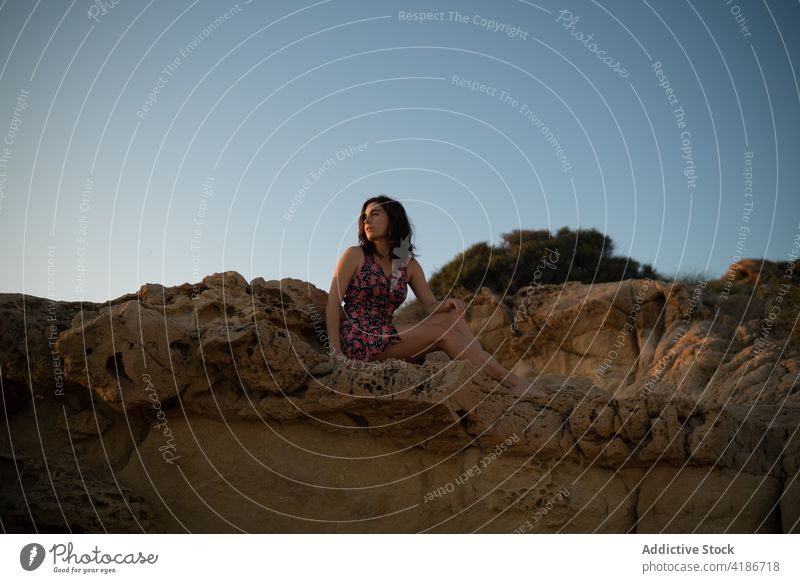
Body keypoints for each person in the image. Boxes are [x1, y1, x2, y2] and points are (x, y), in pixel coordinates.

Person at [325, 194, 536, 397]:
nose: (367, 220)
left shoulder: (407, 265)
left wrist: (447, 303)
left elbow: (431, 305)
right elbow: (333, 302)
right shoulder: (355, 255)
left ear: (393, 219)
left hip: (387, 334)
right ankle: (510, 381)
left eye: (375, 214)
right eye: (364, 216)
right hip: (359, 336)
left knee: (451, 315)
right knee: (442, 333)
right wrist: (336, 354)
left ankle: (493, 372)